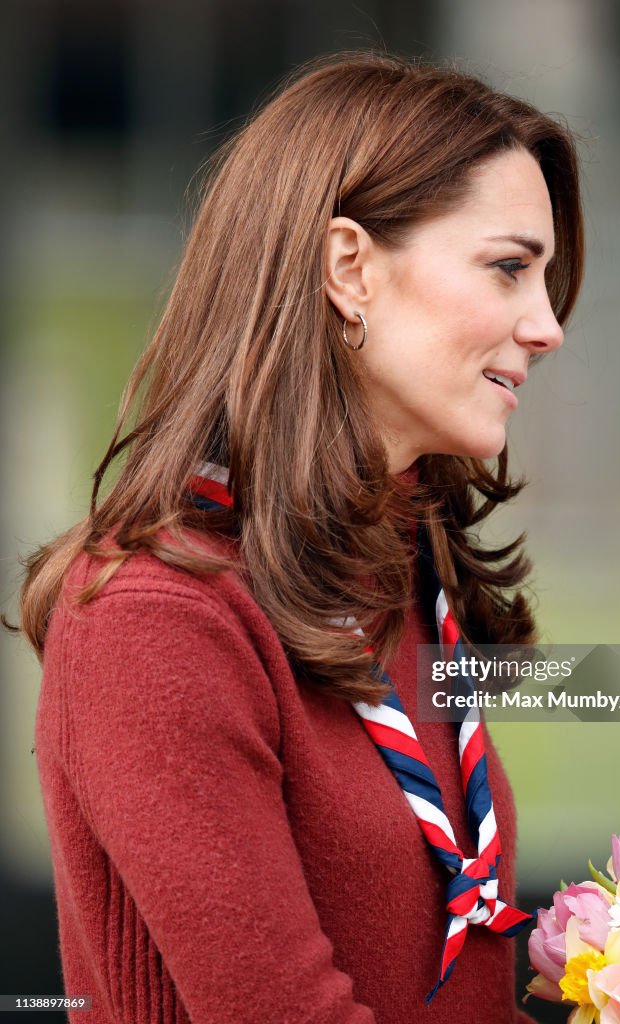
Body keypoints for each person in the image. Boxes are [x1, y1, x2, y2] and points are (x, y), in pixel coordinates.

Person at [12, 52, 583, 1023]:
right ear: (348, 266)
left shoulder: (402, 566)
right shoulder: (156, 619)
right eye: (506, 268)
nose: (546, 326)